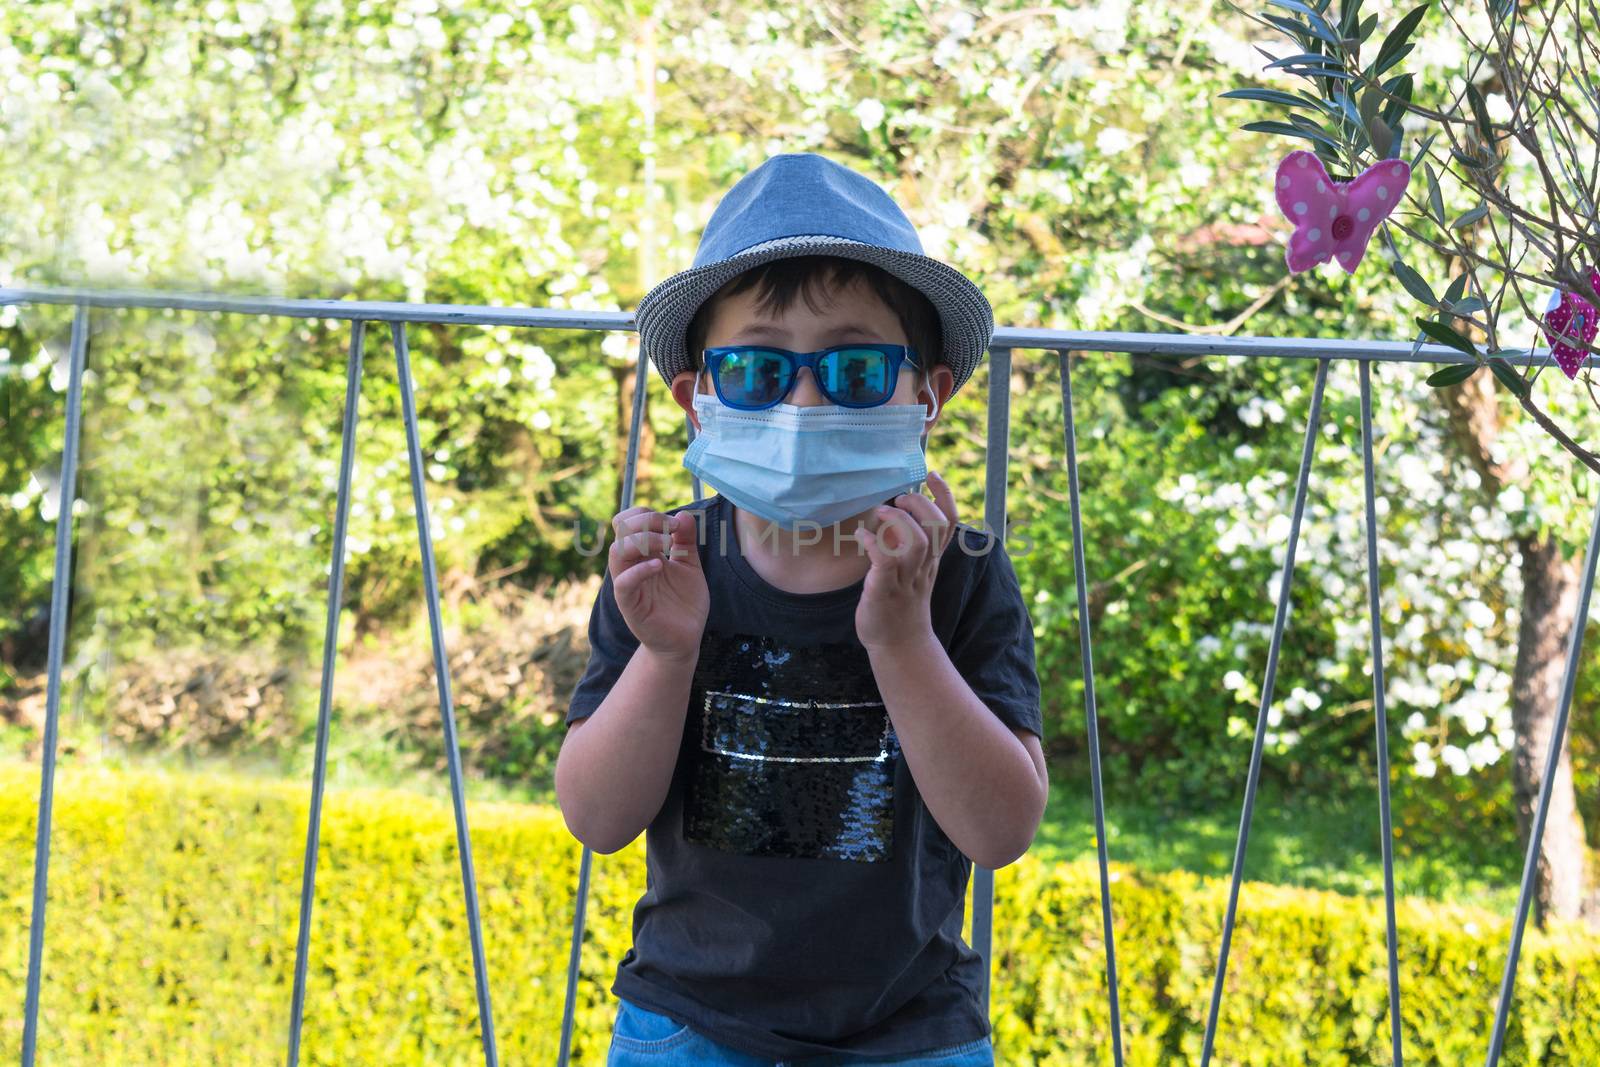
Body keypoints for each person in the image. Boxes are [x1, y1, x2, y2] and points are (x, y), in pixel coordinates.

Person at [554, 152, 1046, 1066]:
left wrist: (903, 638)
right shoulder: (665, 570)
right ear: (698, 402)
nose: (806, 401)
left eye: (857, 371)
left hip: (911, 1032)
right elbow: (597, 818)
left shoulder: (965, 572)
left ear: (927, 393)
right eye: (756, 371)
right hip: (688, 1024)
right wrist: (664, 654)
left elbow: (1001, 829)